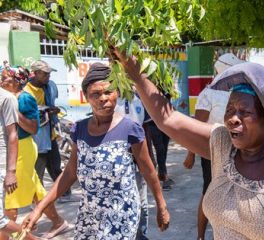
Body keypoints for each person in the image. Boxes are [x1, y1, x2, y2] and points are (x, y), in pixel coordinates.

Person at [114, 49, 264, 239]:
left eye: (244, 112)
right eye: (229, 110)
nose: (233, 119)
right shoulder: (223, 143)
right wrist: (132, 69)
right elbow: (168, 119)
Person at [23, 63, 170, 239]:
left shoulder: (130, 129)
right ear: (86, 97)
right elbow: (70, 172)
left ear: (117, 93)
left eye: (108, 92)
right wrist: (39, 209)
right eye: (96, 94)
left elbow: (148, 170)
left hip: (121, 214)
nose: (103, 98)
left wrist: (162, 206)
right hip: (89, 215)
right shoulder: (80, 129)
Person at [1, 69, 67, 239]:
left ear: (17, 81)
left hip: (21, 147)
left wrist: (13, 111)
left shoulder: (24, 98)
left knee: (10, 195)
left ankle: (12, 235)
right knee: (36, 191)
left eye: (5, 78)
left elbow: (33, 127)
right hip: (16, 147)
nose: (1, 81)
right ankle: (58, 222)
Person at [183, 53, 243, 240]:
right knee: (209, 191)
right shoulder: (208, 94)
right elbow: (197, 125)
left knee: (235, 193)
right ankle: (201, 236)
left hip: (237, 150)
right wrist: (191, 153)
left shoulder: (238, 93)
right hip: (211, 152)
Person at [24, 60, 74, 202]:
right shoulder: (26, 92)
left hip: (50, 134)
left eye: (49, 73)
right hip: (36, 137)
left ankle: (64, 193)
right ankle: (38, 199)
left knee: (55, 166)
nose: (48, 76)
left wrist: (53, 110)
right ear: (35, 73)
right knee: (38, 169)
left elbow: (52, 104)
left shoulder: (50, 87)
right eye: (45, 74)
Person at [0, 80, 36, 240]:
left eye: (7, 77)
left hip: (9, 157)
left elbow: (14, 134)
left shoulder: (10, 98)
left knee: (4, 214)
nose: (3, 79)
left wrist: (10, 172)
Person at [115, 93, 149, 240]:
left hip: (138, 158)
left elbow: (145, 129)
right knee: (121, 202)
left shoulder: (138, 98)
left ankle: (141, 234)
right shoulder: (111, 99)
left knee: (142, 202)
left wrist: (149, 159)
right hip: (117, 161)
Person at [142, 100, 174, 190]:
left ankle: (162, 173)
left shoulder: (165, 90)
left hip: (166, 120)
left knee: (164, 149)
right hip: (152, 122)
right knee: (160, 149)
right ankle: (164, 178)